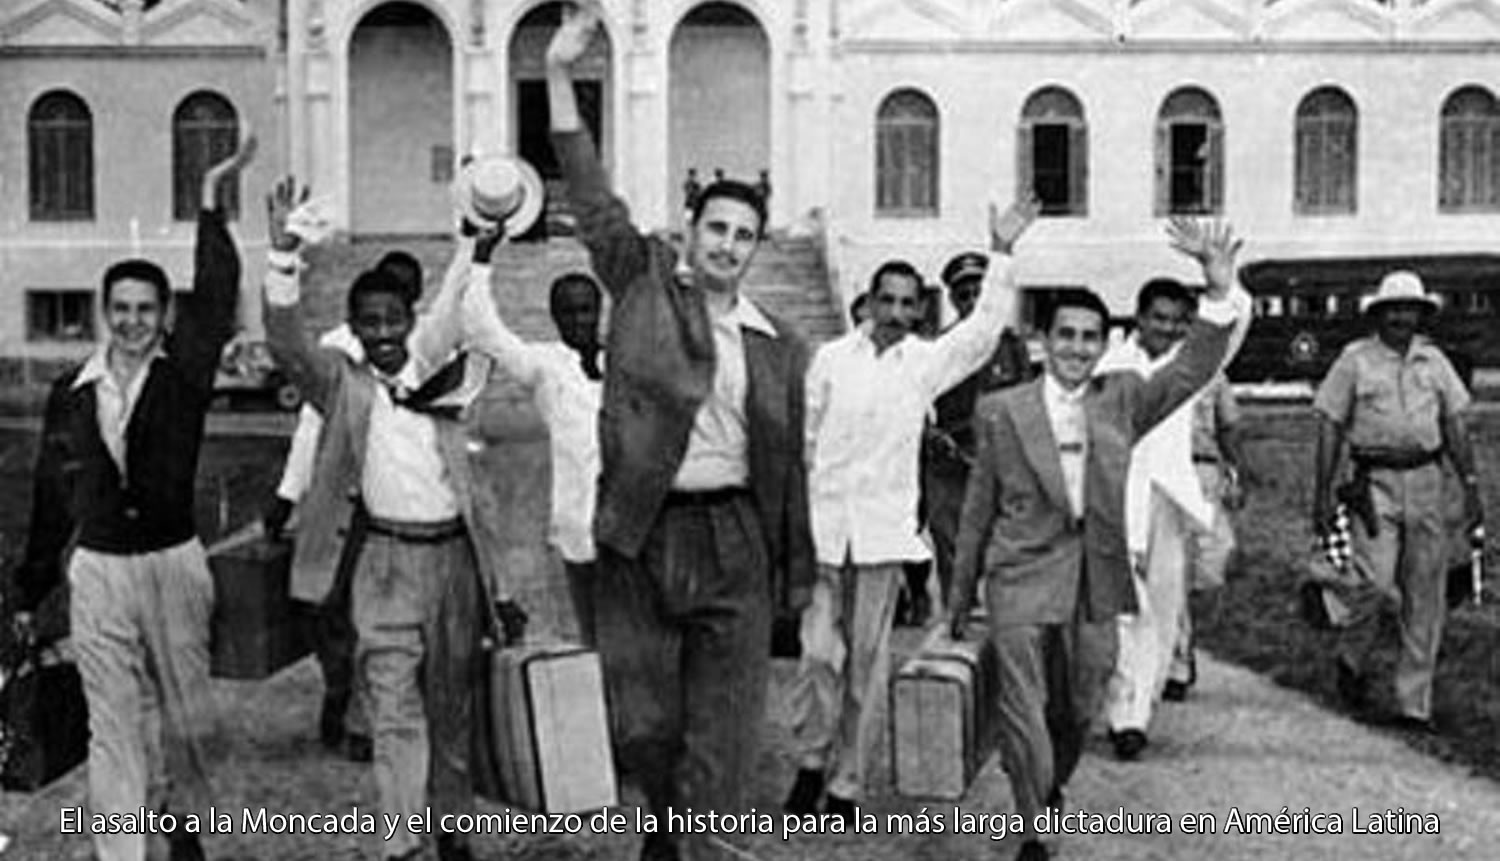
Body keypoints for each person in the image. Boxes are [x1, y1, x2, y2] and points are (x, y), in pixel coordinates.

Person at [546, 7, 815, 860]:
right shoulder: (642, 286)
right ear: (690, 232)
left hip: (734, 538)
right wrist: (559, 73)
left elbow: (789, 472)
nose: (729, 245)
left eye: (744, 235)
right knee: (642, 722)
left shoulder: (778, 345)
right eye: (717, 228)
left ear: (756, 248)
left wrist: (793, 570)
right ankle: (665, 821)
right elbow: (592, 199)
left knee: (724, 732)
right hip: (643, 533)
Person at [948, 219, 1250, 861]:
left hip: (1093, 577)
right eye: (1066, 335)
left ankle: (1048, 782)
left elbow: (1191, 368)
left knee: (1080, 704)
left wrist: (1220, 291)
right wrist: (958, 597)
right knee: (1021, 704)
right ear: (1043, 340)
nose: (1077, 349)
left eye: (1089, 337)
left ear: (1103, 343)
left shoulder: (1123, 399)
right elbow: (977, 510)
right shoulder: (1002, 409)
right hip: (1019, 576)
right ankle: (1033, 827)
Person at [261, 177, 526, 861]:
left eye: (392, 320)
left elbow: (482, 504)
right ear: (353, 329)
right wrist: (283, 258)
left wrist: (478, 243)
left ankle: (453, 828)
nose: (382, 334)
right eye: (369, 323)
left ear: (411, 320)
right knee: (392, 705)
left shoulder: (441, 376)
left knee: (451, 704)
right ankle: (400, 842)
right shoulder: (343, 386)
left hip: (454, 561)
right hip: (384, 563)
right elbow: (287, 344)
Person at [11, 132, 256, 861]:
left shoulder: (184, 375)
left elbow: (217, 291)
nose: (132, 321)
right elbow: (53, 496)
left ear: (164, 314)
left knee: (187, 714)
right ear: (103, 311)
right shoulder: (71, 392)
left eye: (146, 309)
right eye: (120, 308)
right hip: (99, 573)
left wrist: (210, 199)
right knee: (111, 724)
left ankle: (188, 825)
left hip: (173, 565)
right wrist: (31, 588)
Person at [786, 197, 1037, 820]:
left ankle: (846, 784)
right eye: (887, 301)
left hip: (879, 536)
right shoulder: (830, 360)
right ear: (869, 303)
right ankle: (810, 761)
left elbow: (981, 335)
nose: (897, 313)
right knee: (817, 655)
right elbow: (804, 443)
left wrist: (1002, 252)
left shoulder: (924, 364)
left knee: (867, 664)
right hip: (824, 531)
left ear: (920, 309)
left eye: (908, 303)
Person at [262, 251, 432, 764]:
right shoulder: (337, 356)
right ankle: (343, 695)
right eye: (371, 317)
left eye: (401, 301)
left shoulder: (427, 356)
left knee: (390, 621)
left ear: (413, 306)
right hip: (343, 504)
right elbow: (308, 426)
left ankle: (371, 716)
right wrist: (287, 496)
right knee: (332, 611)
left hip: (402, 516)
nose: (383, 329)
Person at [1311, 270, 1483, 733]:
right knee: (1375, 583)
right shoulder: (1355, 361)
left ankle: (1413, 705)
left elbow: (1456, 424)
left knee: (1426, 594)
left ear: (1421, 315)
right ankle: (1351, 659)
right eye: (1393, 310)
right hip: (1374, 485)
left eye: (1410, 310)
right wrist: (1322, 493)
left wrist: (1470, 486)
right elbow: (1329, 425)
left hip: (1426, 480)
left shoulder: (1435, 361)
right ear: (1379, 314)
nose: (1401, 318)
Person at [1097, 278, 1219, 759]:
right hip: (1118, 494)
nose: (1166, 329)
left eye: (1176, 322)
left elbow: (1227, 335)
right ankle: (1124, 714)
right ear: (1140, 317)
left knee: (1166, 607)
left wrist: (1222, 286)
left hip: (1169, 497)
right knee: (1127, 608)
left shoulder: (1188, 367)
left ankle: (1141, 707)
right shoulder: (1109, 365)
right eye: (1158, 319)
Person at [461, 265, 605, 645]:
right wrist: (479, 264)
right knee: (581, 646)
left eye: (586, 309)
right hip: (573, 535)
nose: (579, 320)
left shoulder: (622, 364)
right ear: (554, 317)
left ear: (599, 310)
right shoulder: (545, 365)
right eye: (568, 312)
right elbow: (484, 330)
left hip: (625, 536)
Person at [919, 252, 1035, 616]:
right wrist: (932, 435)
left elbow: (1028, 404)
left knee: (1004, 550)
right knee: (953, 548)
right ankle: (957, 621)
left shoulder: (1011, 346)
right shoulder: (940, 348)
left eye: (977, 293)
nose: (971, 301)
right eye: (963, 294)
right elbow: (917, 404)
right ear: (953, 300)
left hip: (1000, 463)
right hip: (952, 463)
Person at [1166, 368, 1246, 701]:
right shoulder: (1146, 365)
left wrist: (1235, 473)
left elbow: (1228, 425)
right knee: (1173, 566)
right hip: (1165, 469)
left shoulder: (1212, 371)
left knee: (1214, 561)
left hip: (1204, 470)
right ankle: (1177, 661)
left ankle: (1185, 640)